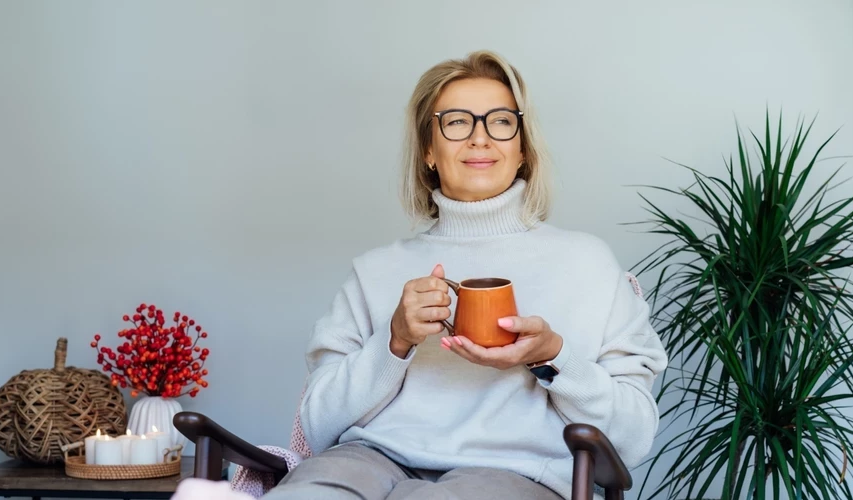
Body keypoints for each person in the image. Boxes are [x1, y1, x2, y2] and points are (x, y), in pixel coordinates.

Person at [264, 50, 669, 500]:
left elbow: (633, 438)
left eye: (500, 122)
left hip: (518, 473)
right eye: (456, 122)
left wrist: (552, 356)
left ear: (523, 149)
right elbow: (315, 428)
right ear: (429, 151)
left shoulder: (589, 264)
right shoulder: (374, 272)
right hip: (366, 460)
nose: (479, 138)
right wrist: (395, 339)